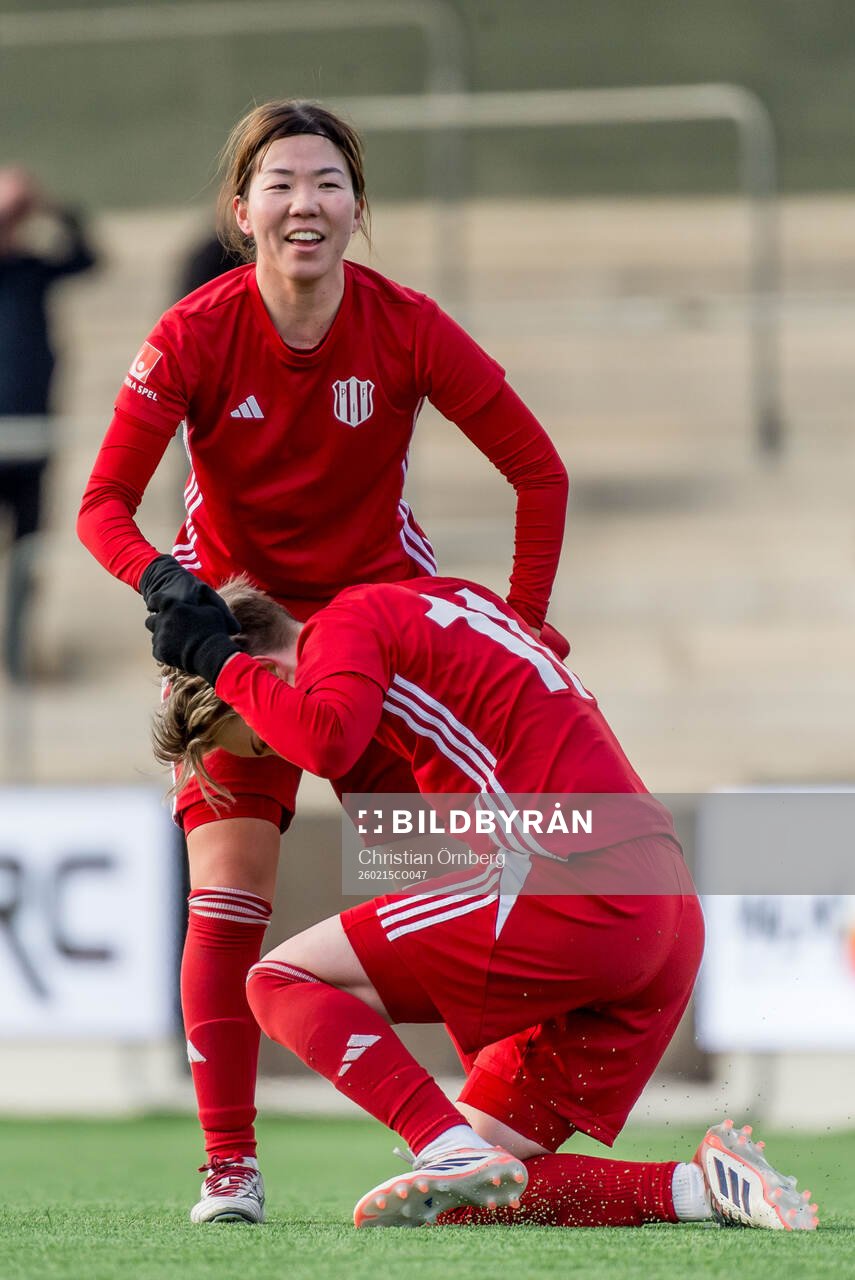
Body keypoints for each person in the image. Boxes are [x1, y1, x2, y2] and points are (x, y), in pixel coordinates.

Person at [76, 99, 570, 1222]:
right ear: (241, 211)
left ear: (357, 207)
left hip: (380, 640)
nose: (307, 203)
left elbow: (540, 475)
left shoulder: (407, 324)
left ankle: (482, 1137)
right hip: (240, 636)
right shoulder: (193, 333)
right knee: (230, 892)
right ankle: (231, 1168)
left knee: (439, 898)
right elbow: (101, 504)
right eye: (282, 183)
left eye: (329, 183)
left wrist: (526, 623)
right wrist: (167, 584)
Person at [146, 573, 818, 1232]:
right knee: (471, 1196)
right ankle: (703, 1187)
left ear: (266, 667)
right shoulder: (443, 598)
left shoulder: (340, 628)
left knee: (277, 981)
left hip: (575, 877)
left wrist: (218, 662)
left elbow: (326, 740)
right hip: (659, 901)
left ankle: (442, 1144)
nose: (279, 746)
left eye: (264, 738)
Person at [0, 167, 97, 679]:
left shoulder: (32, 268)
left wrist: (44, 205)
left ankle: (16, 654)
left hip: (33, 440)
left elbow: (87, 256)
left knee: (27, 555)